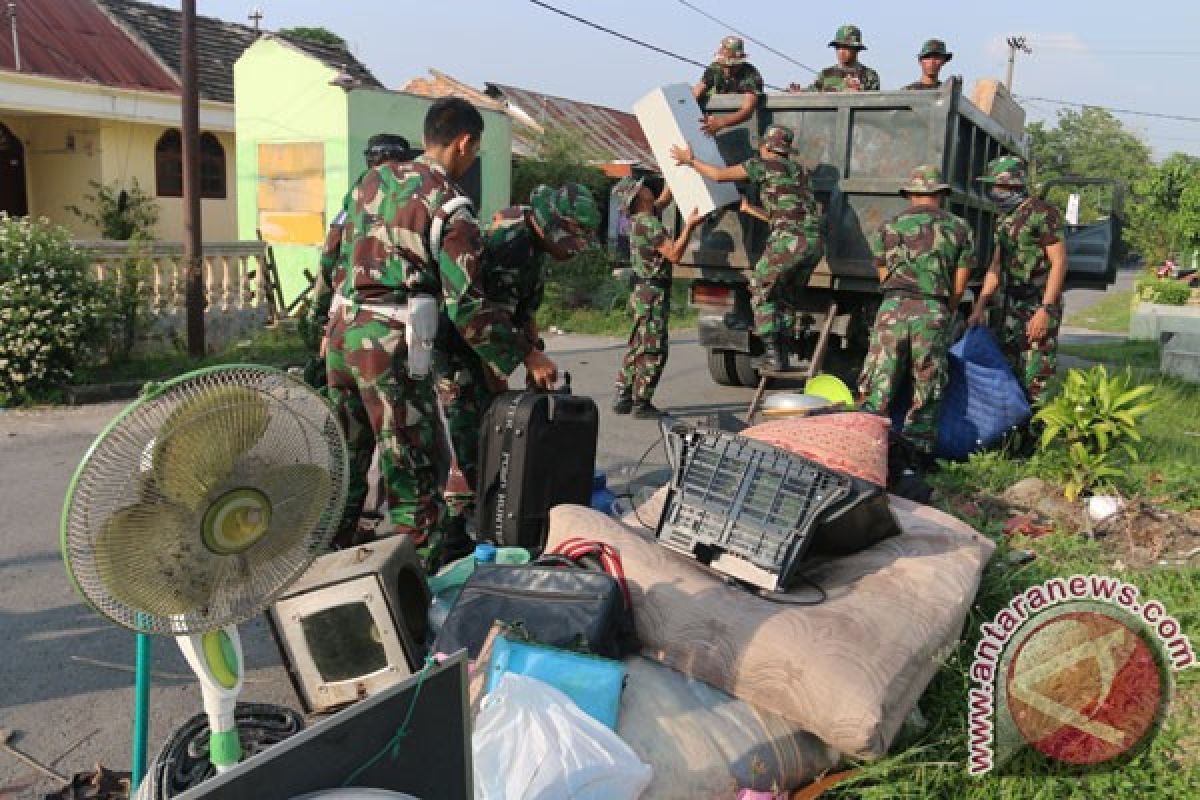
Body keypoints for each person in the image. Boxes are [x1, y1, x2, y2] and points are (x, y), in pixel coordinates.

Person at [326, 97, 557, 558]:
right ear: (465, 141)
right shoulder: (450, 207)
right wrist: (526, 355)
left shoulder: (370, 181)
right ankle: (423, 596)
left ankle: (328, 562)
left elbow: (336, 256)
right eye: (476, 151)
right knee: (413, 472)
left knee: (347, 462)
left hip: (341, 337)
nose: (472, 160)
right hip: (387, 349)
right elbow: (468, 307)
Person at [435, 182, 601, 561]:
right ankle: (453, 540)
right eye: (570, 240)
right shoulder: (507, 242)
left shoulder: (533, 244)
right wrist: (519, 358)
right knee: (473, 437)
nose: (571, 252)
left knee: (492, 431)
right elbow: (475, 314)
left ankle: (486, 517)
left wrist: (533, 352)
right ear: (549, 224)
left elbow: (521, 308)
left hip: (491, 341)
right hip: (460, 344)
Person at [671, 124, 823, 371]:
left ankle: (773, 357)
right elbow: (788, 213)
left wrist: (690, 160)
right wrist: (750, 209)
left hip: (788, 241)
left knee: (760, 289)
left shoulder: (762, 165)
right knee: (782, 297)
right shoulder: (800, 172)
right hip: (813, 243)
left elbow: (719, 176)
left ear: (766, 147)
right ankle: (781, 356)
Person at [859, 165, 975, 460]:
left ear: (910, 193)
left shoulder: (889, 226)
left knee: (879, 379)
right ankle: (916, 456)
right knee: (927, 381)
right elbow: (960, 281)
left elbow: (882, 272)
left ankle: (868, 448)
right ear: (940, 194)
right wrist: (946, 309)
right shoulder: (959, 228)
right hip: (933, 308)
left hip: (892, 308)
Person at [304, 134, 412, 390]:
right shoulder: (414, 198)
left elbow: (330, 255)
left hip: (348, 320)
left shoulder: (356, 196)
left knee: (347, 416)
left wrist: (320, 320)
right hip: (397, 326)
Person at [968, 155, 1068, 406]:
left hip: (1037, 303)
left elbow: (1059, 262)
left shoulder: (1043, 214)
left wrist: (1045, 309)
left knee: (1036, 373)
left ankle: (1036, 438)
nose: (993, 192)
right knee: (1009, 369)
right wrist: (979, 307)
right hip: (1010, 304)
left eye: (997, 186)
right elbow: (996, 265)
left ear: (1014, 185)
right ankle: (1013, 438)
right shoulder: (1004, 219)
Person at [611, 177, 703, 418]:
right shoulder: (649, 223)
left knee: (639, 342)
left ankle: (623, 394)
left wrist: (674, 174)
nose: (648, 187)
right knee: (654, 347)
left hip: (642, 291)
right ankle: (641, 401)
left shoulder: (640, 219)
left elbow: (663, 199)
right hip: (653, 292)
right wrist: (689, 226)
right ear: (638, 198)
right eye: (643, 187)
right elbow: (673, 254)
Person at [693, 35, 764, 137]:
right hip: (714, 125)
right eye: (724, 66)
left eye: (732, 66)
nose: (727, 70)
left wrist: (721, 123)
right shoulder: (715, 68)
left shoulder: (751, 75)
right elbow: (696, 92)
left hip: (742, 129)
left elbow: (747, 110)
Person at [791, 25, 879, 93]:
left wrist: (857, 94)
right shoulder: (825, 74)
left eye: (846, 47)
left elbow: (874, 106)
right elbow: (812, 93)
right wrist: (799, 92)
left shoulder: (870, 76)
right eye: (838, 47)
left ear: (857, 49)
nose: (841, 51)